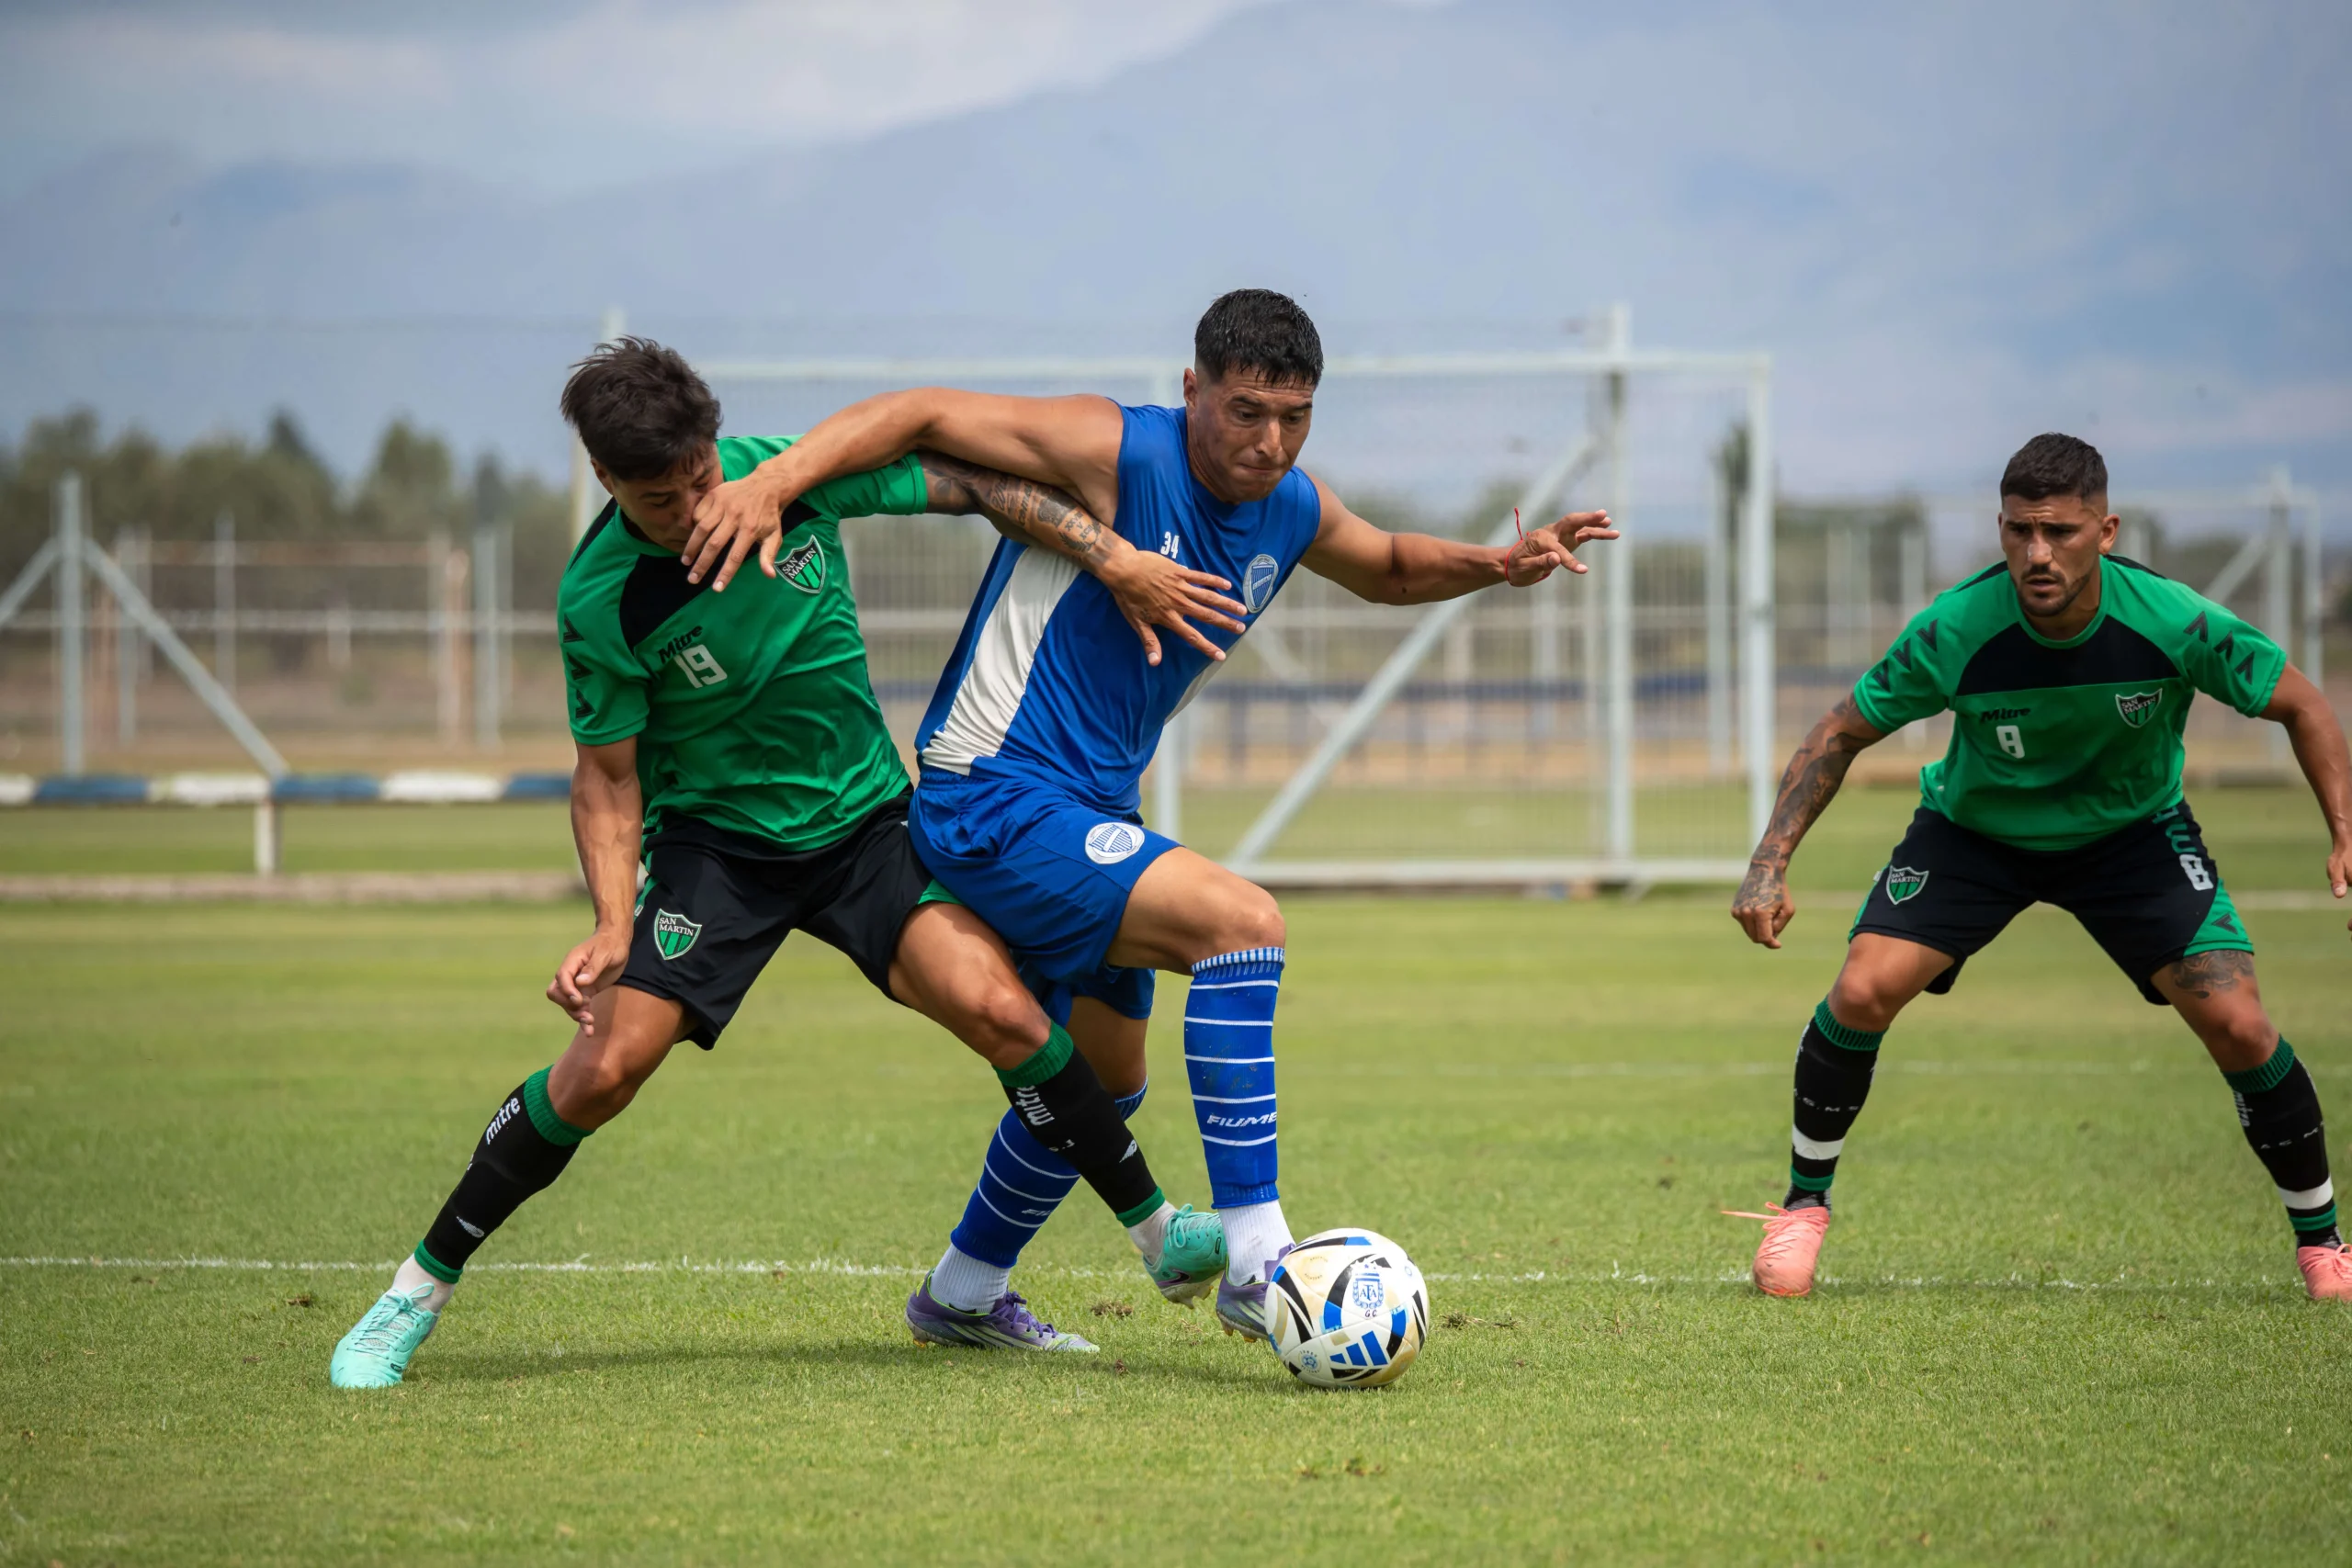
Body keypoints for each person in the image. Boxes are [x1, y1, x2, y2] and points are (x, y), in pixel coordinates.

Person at [682, 288, 1616, 1339]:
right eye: (1246, 411)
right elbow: (919, 413)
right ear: (1192, 390)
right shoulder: (1114, 449)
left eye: (1294, 418)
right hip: (989, 793)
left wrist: (1499, 565)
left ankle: (961, 1295)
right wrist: (767, 484)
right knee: (1242, 922)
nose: (1269, 443)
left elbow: (1389, 568)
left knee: (1106, 1079)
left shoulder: (1292, 505)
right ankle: (1259, 1261)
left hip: (1083, 807)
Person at [329, 338, 1233, 1387]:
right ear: (604, 480)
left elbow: (975, 484)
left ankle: (1159, 1237)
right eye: (659, 497)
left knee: (1002, 1012)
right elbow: (609, 781)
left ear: (719, 445)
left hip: (866, 828)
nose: (692, 505)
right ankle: (412, 1296)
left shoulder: (788, 479)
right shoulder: (604, 599)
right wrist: (612, 928)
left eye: (702, 476)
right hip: (719, 853)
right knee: (606, 1069)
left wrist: (1104, 551)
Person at [1727, 432, 2352, 1299]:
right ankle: (1802, 1209)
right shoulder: (1958, 627)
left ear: (2106, 530)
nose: (2037, 553)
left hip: (2133, 837)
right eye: (2019, 531)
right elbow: (1840, 729)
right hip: (1977, 835)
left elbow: (2302, 704)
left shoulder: (2171, 620)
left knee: (2240, 1024)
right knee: (1862, 989)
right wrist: (1769, 861)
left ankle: (2324, 1244)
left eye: (2059, 531)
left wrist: (2344, 830)